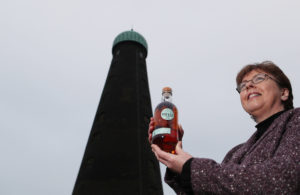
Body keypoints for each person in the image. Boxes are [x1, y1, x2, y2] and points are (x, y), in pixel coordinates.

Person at [148, 61, 300, 194]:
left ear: (284, 92)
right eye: (243, 85)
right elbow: (215, 188)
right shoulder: (236, 153)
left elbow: (283, 179)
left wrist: (190, 167)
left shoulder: (296, 120)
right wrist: (174, 155)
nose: (248, 85)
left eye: (259, 78)